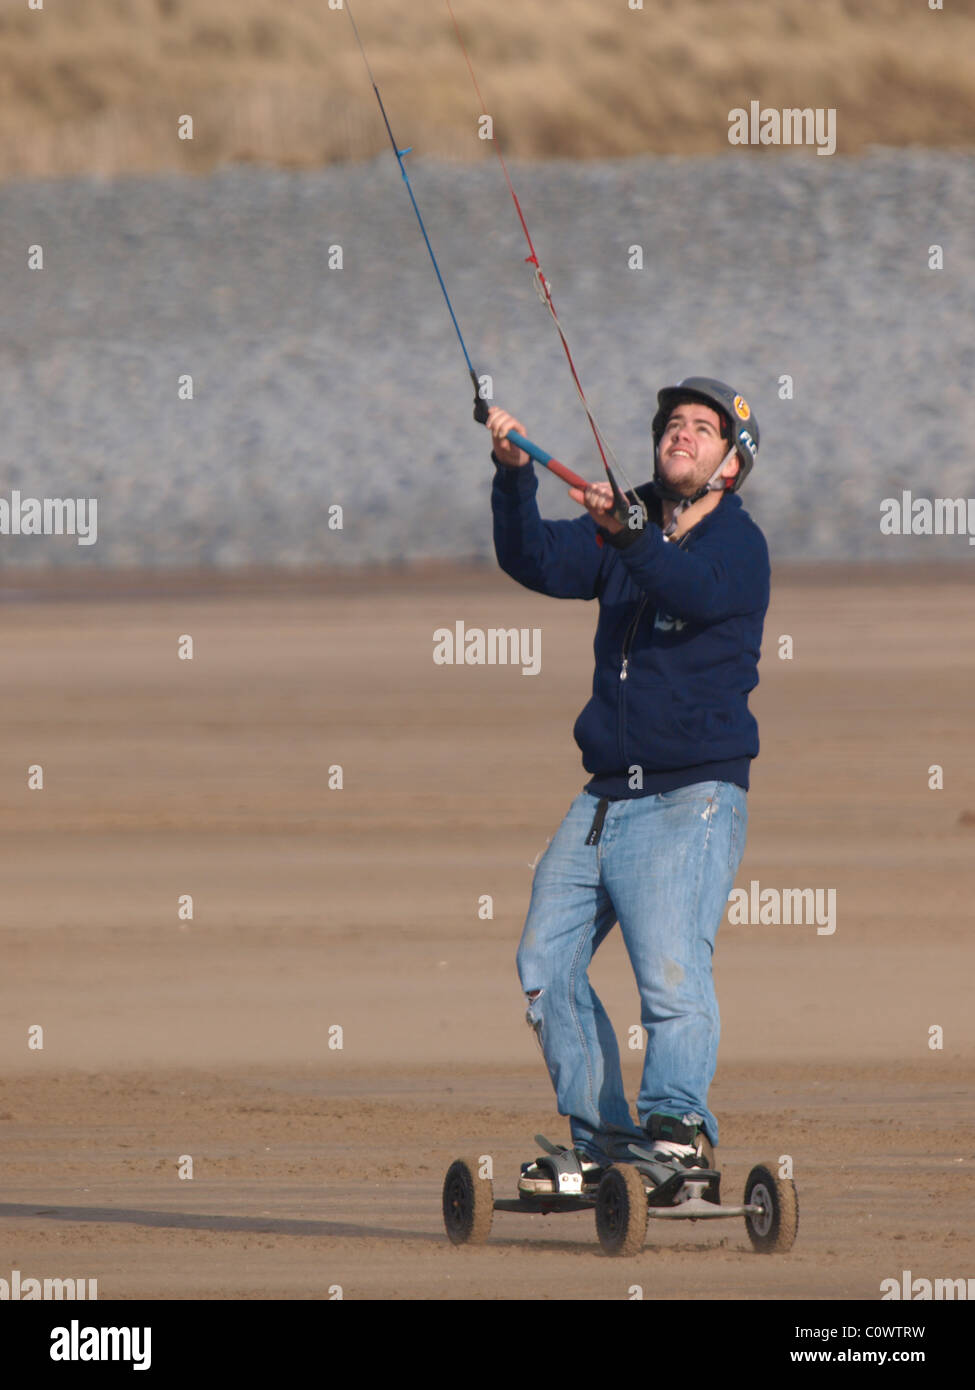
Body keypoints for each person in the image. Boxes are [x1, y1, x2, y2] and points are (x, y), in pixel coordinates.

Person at [487, 378, 770, 1192]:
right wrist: (512, 475)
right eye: (671, 425)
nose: (680, 435)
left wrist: (630, 534)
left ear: (729, 462)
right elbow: (533, 559)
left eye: (701, 428)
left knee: (670, 973)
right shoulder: (629, 523)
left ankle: (678, 1130)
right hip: (603, 795)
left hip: (692, 795)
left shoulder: (736, 546)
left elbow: (689, 589)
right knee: (545, 962)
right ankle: (605, 1138)